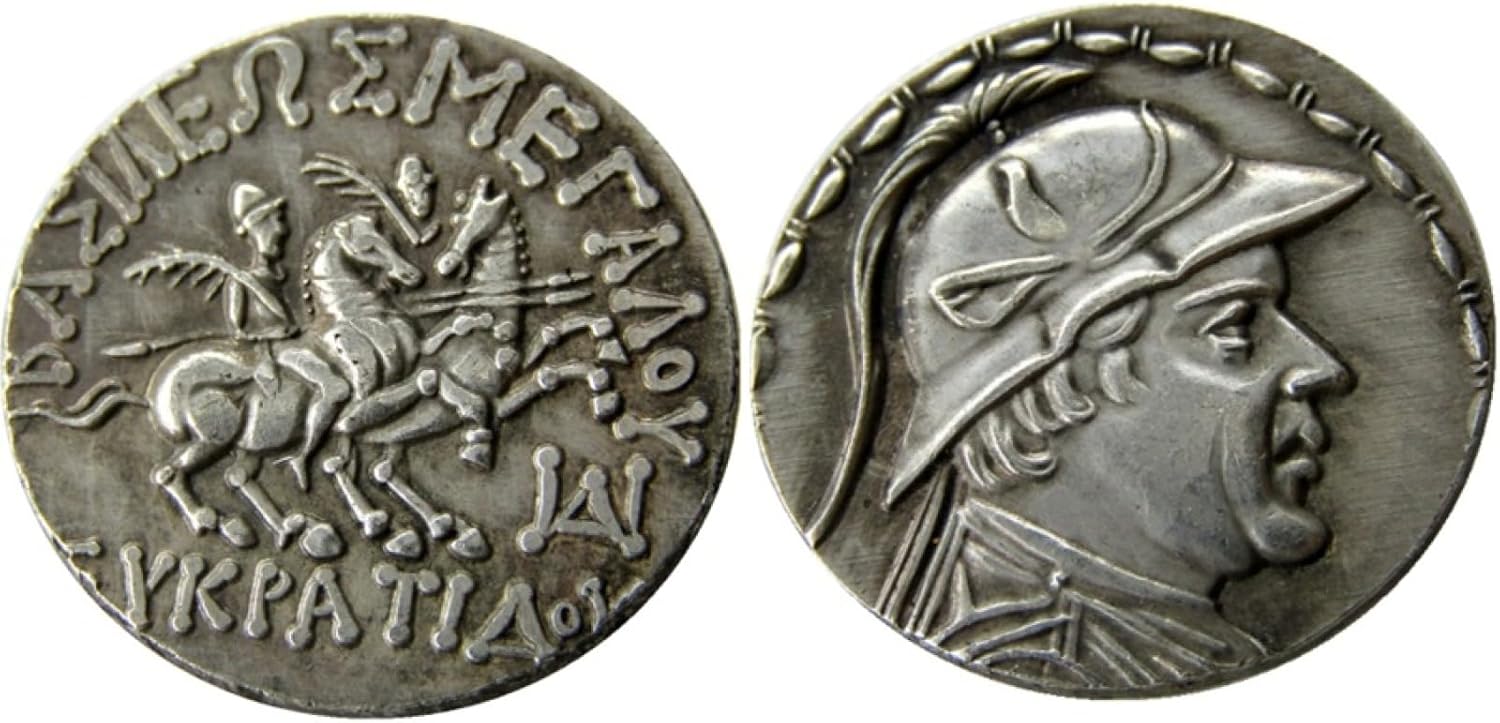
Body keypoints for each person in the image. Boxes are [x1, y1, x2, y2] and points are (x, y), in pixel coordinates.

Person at [873, 104, 1364, 690]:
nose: (1322, 367)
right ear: (1060, 391)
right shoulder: (1037, 664)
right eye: (1233, 329)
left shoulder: (1145, 645)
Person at [226, 181, 350, 488]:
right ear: (258, 227)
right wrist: (265, 355)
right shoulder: (241, 281)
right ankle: (305, 455)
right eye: (274, 222)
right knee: (335, 387)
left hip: (293, 342)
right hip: (277, 350)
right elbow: (238, 332)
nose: (281, 230)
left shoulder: (276, 275)